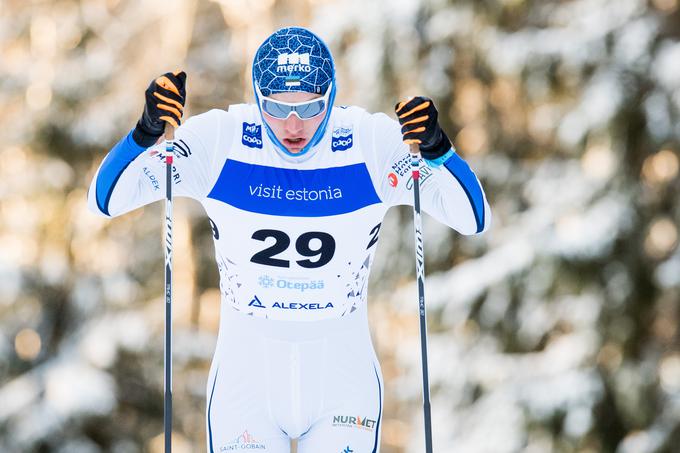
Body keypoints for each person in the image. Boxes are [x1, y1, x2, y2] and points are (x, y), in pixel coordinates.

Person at [88, 26, 490, 453]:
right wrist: (145, 134)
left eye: (312, 107)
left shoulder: (369, 141)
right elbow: (106, 199)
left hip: (341, 373)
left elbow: (473, 217)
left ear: (332, 96)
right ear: (258, 98)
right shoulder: (222, 139)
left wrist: (437, 149)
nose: (293, 124)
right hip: (247, 378)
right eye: (277, 108)